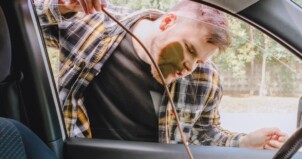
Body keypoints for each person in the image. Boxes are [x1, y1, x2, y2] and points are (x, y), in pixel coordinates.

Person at [35, 0, 288, 149]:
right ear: (167, 22)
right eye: (188, 50)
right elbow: (21, 19)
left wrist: (245, 142)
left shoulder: (205, 78)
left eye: (199, 60)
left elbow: (205, 133)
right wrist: (62, 4)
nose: (189, 66)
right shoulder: (95, 24)